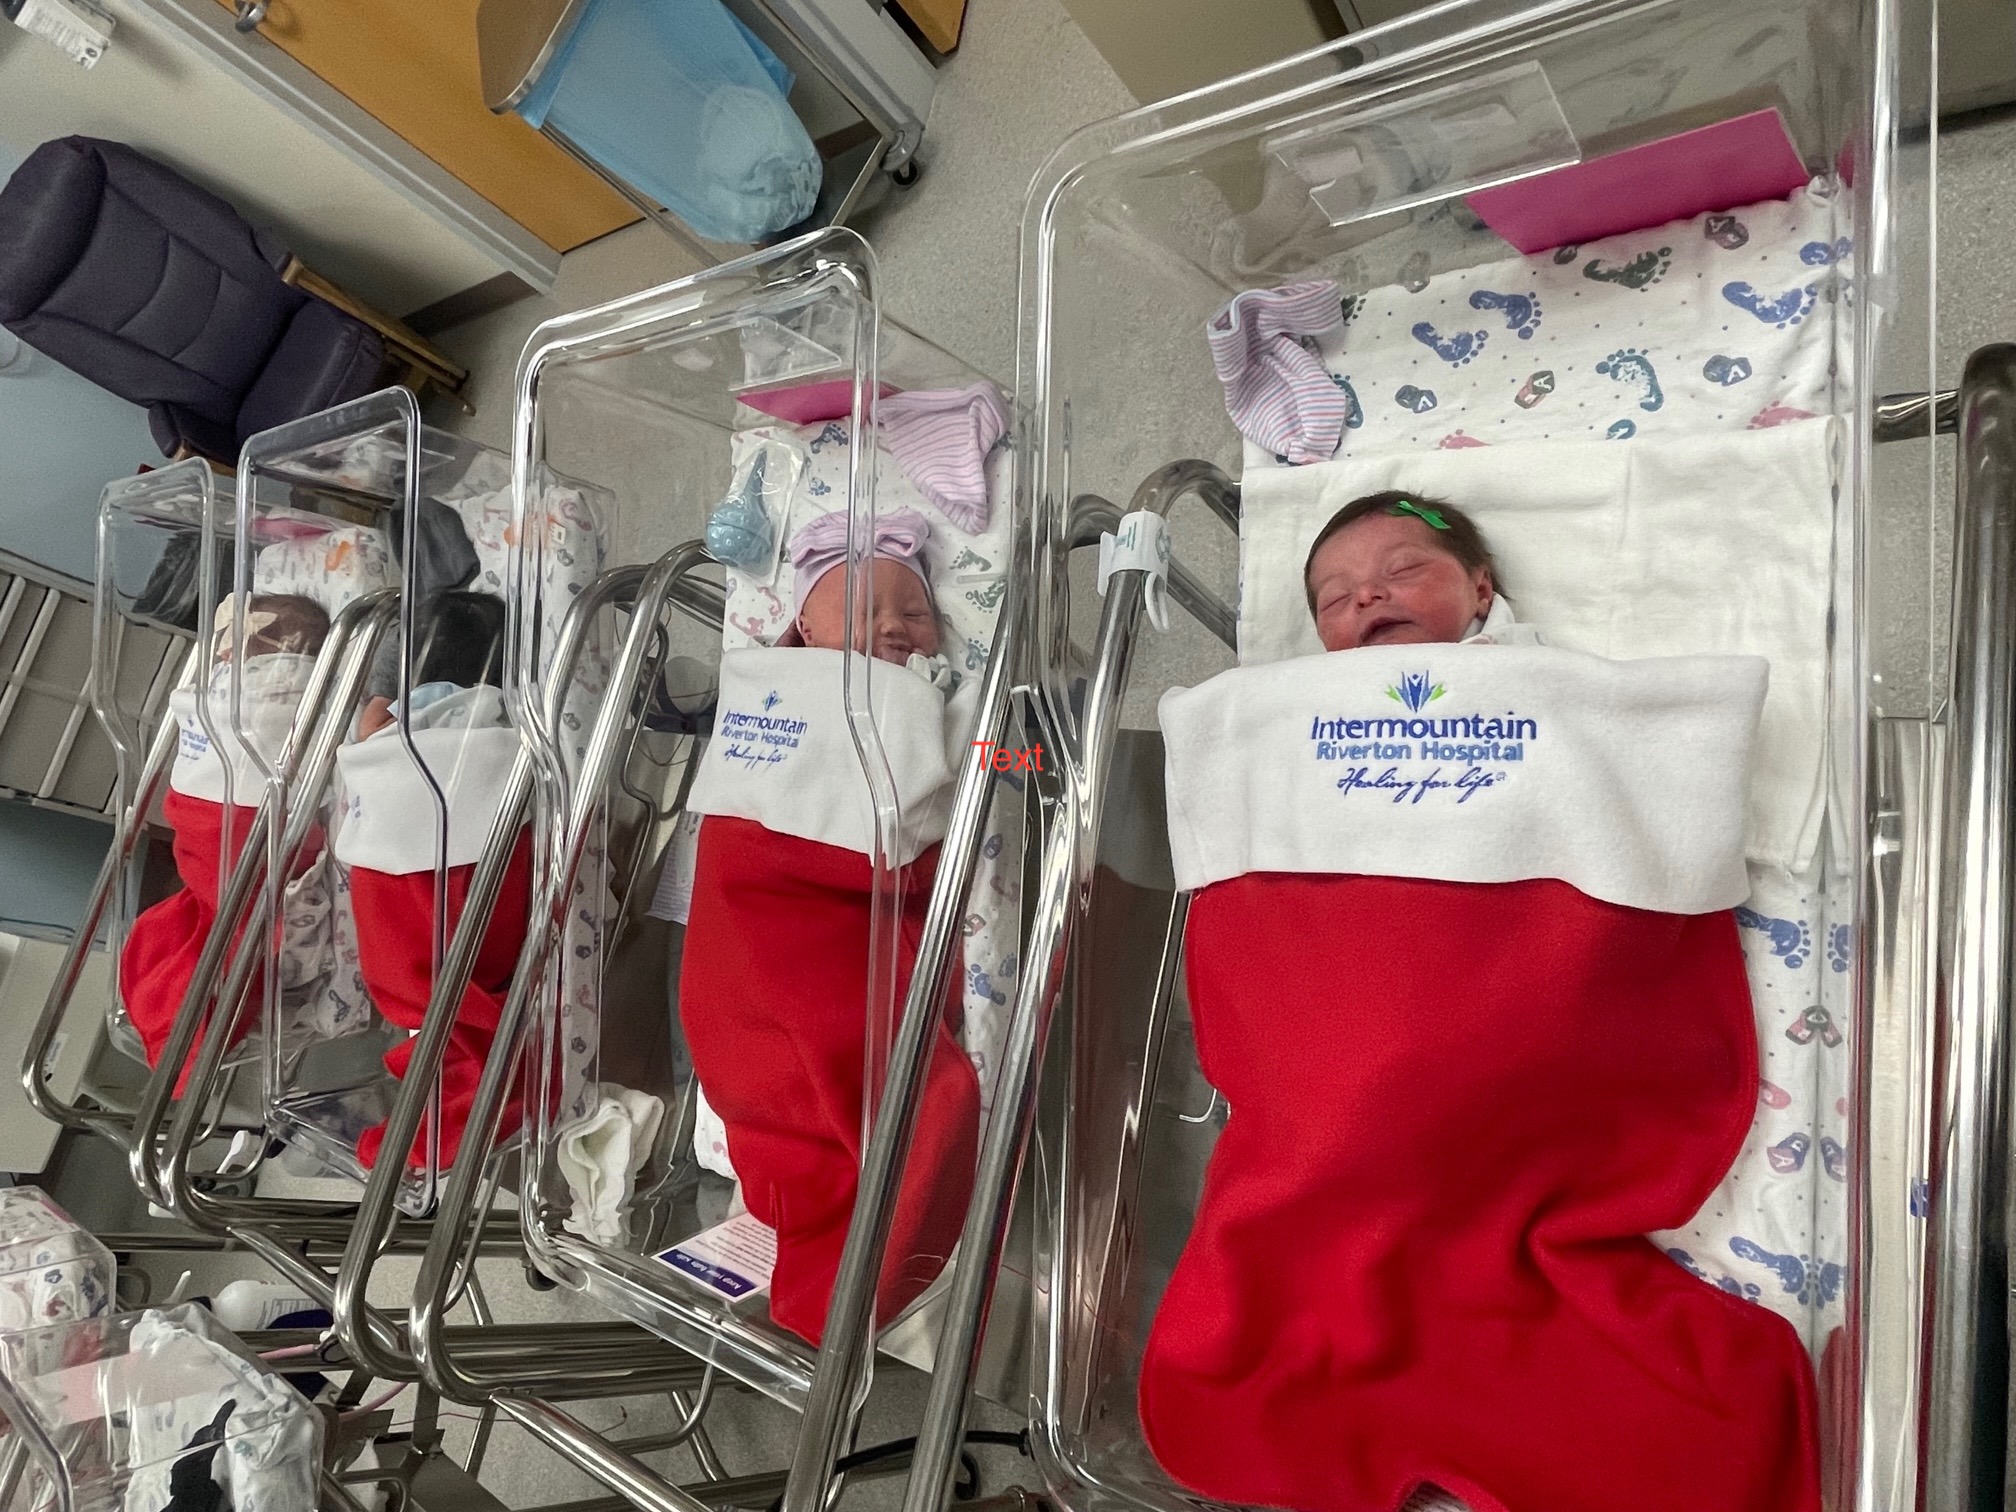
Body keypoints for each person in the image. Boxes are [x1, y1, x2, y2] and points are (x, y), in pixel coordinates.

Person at [1304, 490, 1512, 652]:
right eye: (1336, 599)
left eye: (1403, 569)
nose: (1365, 594)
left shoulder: (1528, 664)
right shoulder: (1310, 688)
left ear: (1481, 590)